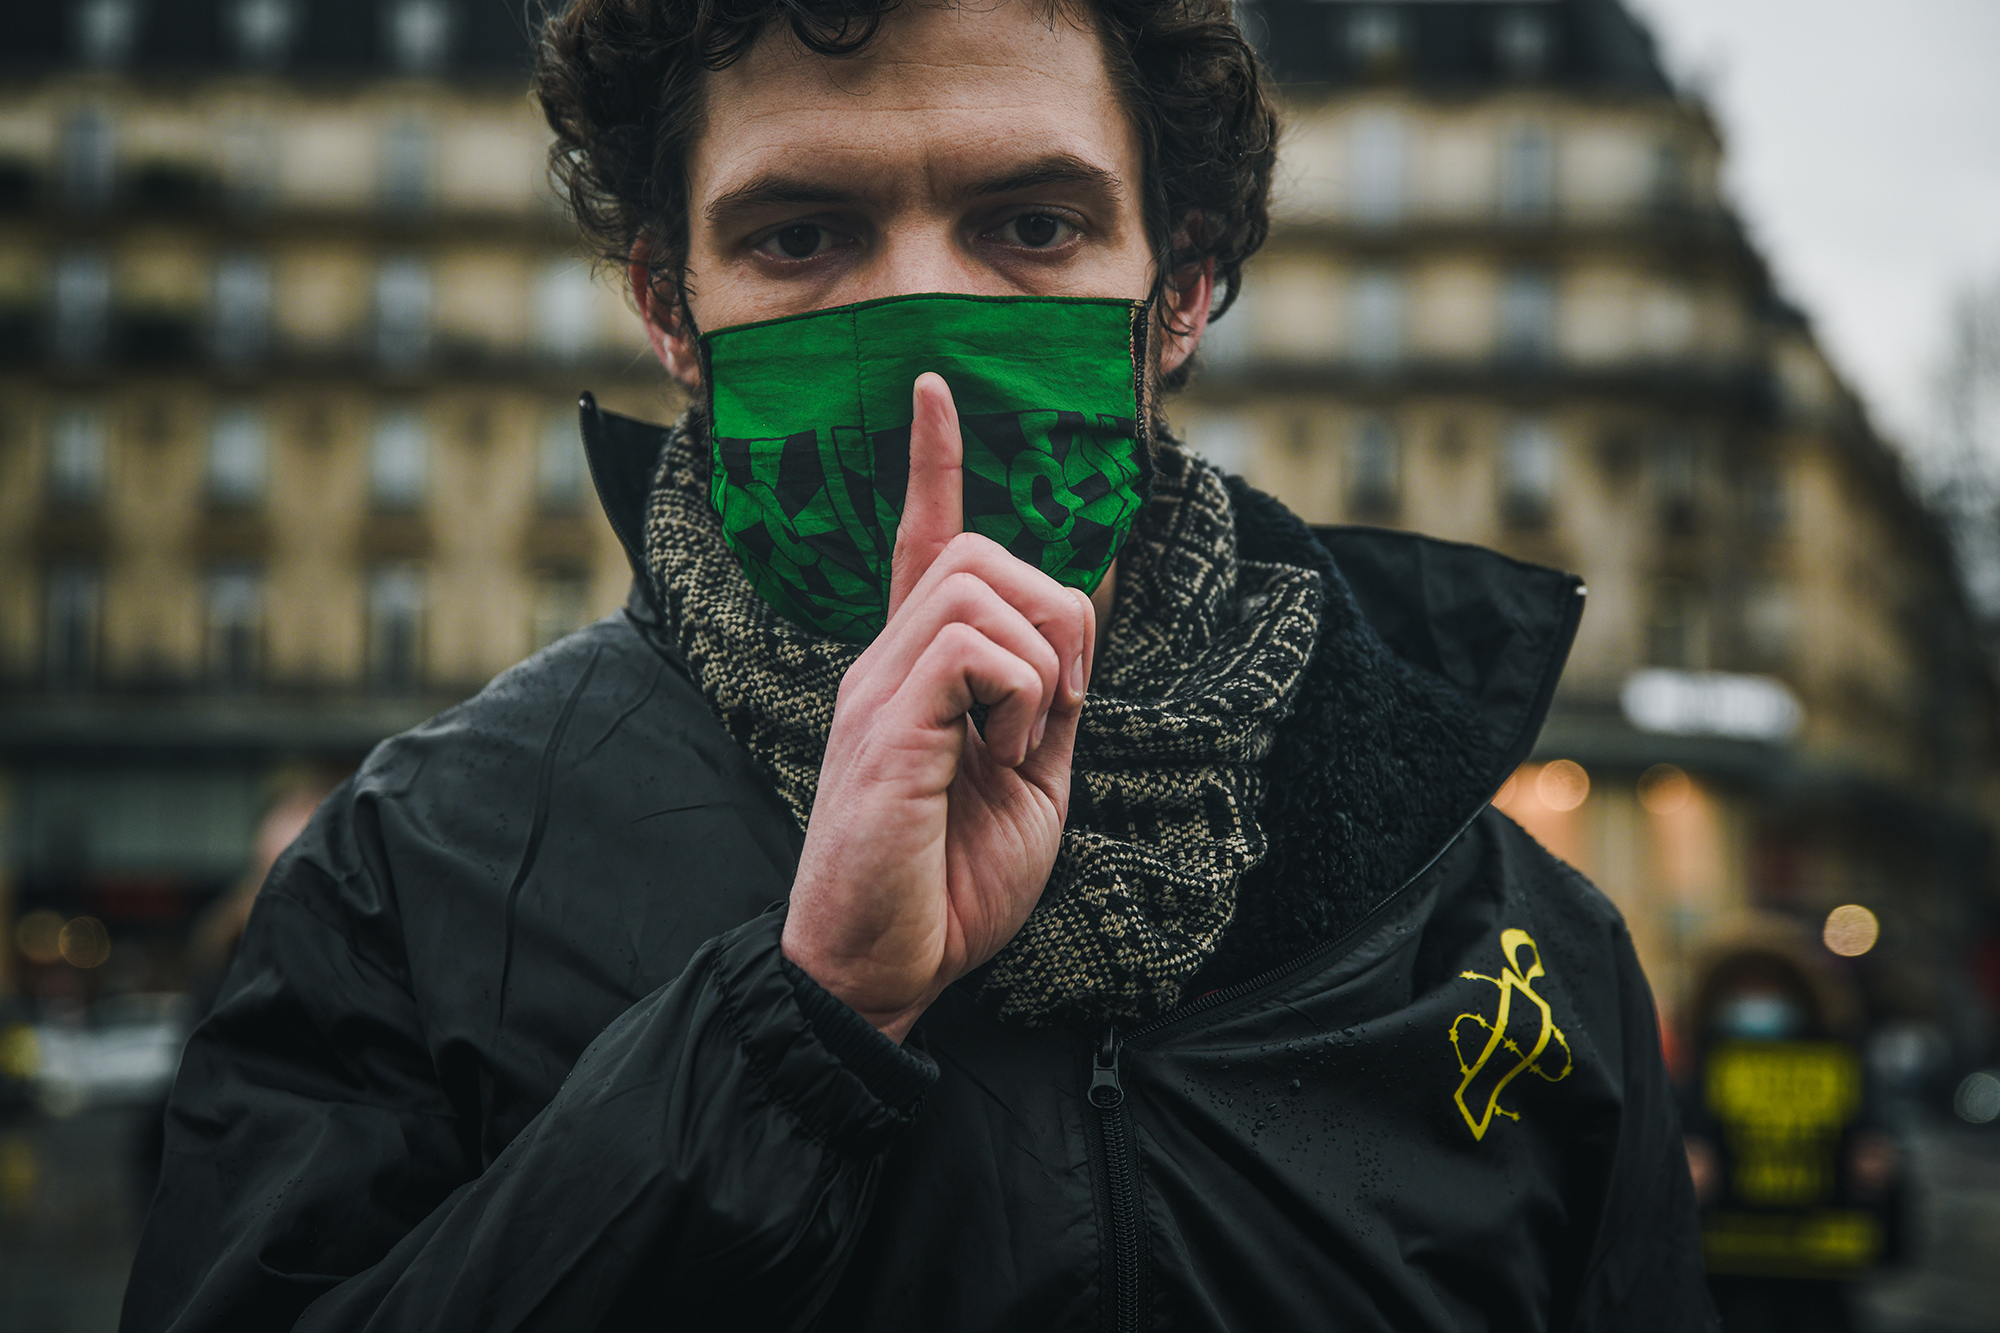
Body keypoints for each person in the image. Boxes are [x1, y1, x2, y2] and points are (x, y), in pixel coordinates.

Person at [121, 1, 1714, 1329]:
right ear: (670, 306)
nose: (924, 327)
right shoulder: (410, 883)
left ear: (1185, 286)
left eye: (1032, 224)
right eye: (802, 234)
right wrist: (793, 1032)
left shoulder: (1508, 939)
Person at [1680, 922, 1905, 1333]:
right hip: (1727, 1288)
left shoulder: (1845, 1071)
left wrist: (1879, 1171)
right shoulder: (1691, 1074)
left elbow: (1888, 1222)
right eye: (1742, 988)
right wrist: (1678, 1176)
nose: (1757, 999)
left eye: (1769, 986)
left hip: (1819, 1290)